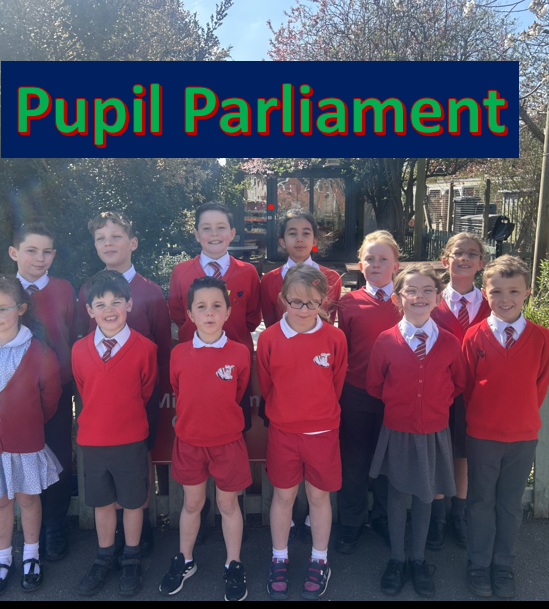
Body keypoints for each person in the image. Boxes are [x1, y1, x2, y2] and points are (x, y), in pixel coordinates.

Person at [367, 264, 466, 597]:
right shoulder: (386, 341)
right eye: (411, 290)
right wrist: (404, 405)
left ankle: (418, 559)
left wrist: (432, 406)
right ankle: (397, 558)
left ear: (438, 298)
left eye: (427, 290)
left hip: (434, 431)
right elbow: (375, 384)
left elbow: (457, 383)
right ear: (398, 298)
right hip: (398, 430)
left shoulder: (449, 343)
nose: (419, 296)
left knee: (425, 495)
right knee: (397, 495)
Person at [77, 211, 171, 556]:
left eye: (115, 236)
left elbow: (162, 346)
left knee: (138, 458)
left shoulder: (150, 291)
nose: (108, 243)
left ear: (132, 243)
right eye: (101, 238)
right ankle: (112, 536)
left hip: (140, 394)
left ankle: (139, 528)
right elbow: (84, 341)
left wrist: (157, 394)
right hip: (101, 396)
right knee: (105, 466)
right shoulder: (88, 290)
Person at [0, 276, 62, 597]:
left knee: (28, 499)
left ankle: (31, 556)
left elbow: (50, 396)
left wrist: (28, 422)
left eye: (3, 308)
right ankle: (3, 559)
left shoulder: (38, 351)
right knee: (1, 501)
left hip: (26, 442)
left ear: (20, 308)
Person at [462, 255, 549, 598]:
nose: (505, 299)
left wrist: (521, 415)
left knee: (510, 504)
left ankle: (503, 564)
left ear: (527, 291)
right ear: (485, 292)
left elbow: (540, 384)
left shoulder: (541, 337)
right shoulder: (474, 336)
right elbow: (467, 386)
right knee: (480, 501)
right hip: (483, 435)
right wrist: (485, 416)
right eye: (497, 291)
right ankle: (477, 563)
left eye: (514, 291)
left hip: (522, 436)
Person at [257, 264, 348, 600]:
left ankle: (319, 559)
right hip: (283, 433)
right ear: (283, 299)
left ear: (324, 301)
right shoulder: (269, 339)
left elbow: (336, 385)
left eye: (312, 303)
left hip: (322, 432)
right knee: (283, 497)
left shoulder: (335, 338)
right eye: (296, 302)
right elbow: (267, 385)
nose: (304, 310)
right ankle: (279, 557)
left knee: (319, 497)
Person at [159, 277, 252, 601]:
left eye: (216, 306)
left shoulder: (240, 353)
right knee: (192, 503)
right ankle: (185, 560)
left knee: (228, 504)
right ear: (190, 314)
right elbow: (179, 390)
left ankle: (233, 564)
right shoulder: (178, 354)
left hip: (227, 443)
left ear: (227, 312)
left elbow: (238, 392)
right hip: (189, 442)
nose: (209, 313)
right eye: (201, 306)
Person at [72, 270, 158, 596]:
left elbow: (145, 391)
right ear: (89, 310)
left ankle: (131, 557)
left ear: (129, 304)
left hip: (131, 439)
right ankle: (104, 556)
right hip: (93, 441)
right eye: (100, 304)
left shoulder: (145, 349)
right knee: (102, 502)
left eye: (116, 302)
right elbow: (85, 390)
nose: (109, 309)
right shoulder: (79, 350)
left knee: (133, 502)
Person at [8, 222, 76, 561]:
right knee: (24, 455)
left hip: (58, 387)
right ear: (14, 252)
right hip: (15, 393)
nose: (40, 258)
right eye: (31, 250)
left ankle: (54, 524)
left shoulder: (63, 289)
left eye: (47, 251)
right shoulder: (3, 291)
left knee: (59, 454)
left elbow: (72, 333)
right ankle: (30, 525)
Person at [335, 231, 402, 554]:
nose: (376, 264)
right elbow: (344, 350)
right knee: (355, 461)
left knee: (390, 462)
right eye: (370, 259)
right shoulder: (348, 303)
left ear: (396, 266)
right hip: (357, 394)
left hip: (395, 396)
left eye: (383, 259)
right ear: (360, 265)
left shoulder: (407, 301)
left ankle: (384, 520)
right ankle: (351, 523)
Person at [168, 201, 261, 432]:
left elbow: (252, 319)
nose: (214, 234)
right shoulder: (181, 272)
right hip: (193, 365)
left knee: (235, 428)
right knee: (195, 427)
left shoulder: (248, 272)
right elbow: (179, 315)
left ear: (232, 233)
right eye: (206, 228)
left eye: (221, 227)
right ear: (196, 234)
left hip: (235, 367)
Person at [428, 232, 490, 549]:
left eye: (472, 254)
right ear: (446, 260)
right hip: (440, 391)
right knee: (440, 451)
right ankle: (437, 516)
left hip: (477, 392)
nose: (464, 258)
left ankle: (458, 513)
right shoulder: (432, 302)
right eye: (458, 253)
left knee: (463, 454)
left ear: (481, 263)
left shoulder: (493, 304)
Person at [259, 208, 342, 327]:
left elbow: (329, 323)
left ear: (314, 241)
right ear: (282, 242)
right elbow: (270, 326)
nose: (300, 239)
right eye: (292, 233)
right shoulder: (269, 280)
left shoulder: (332, 278)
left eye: (306, 233)